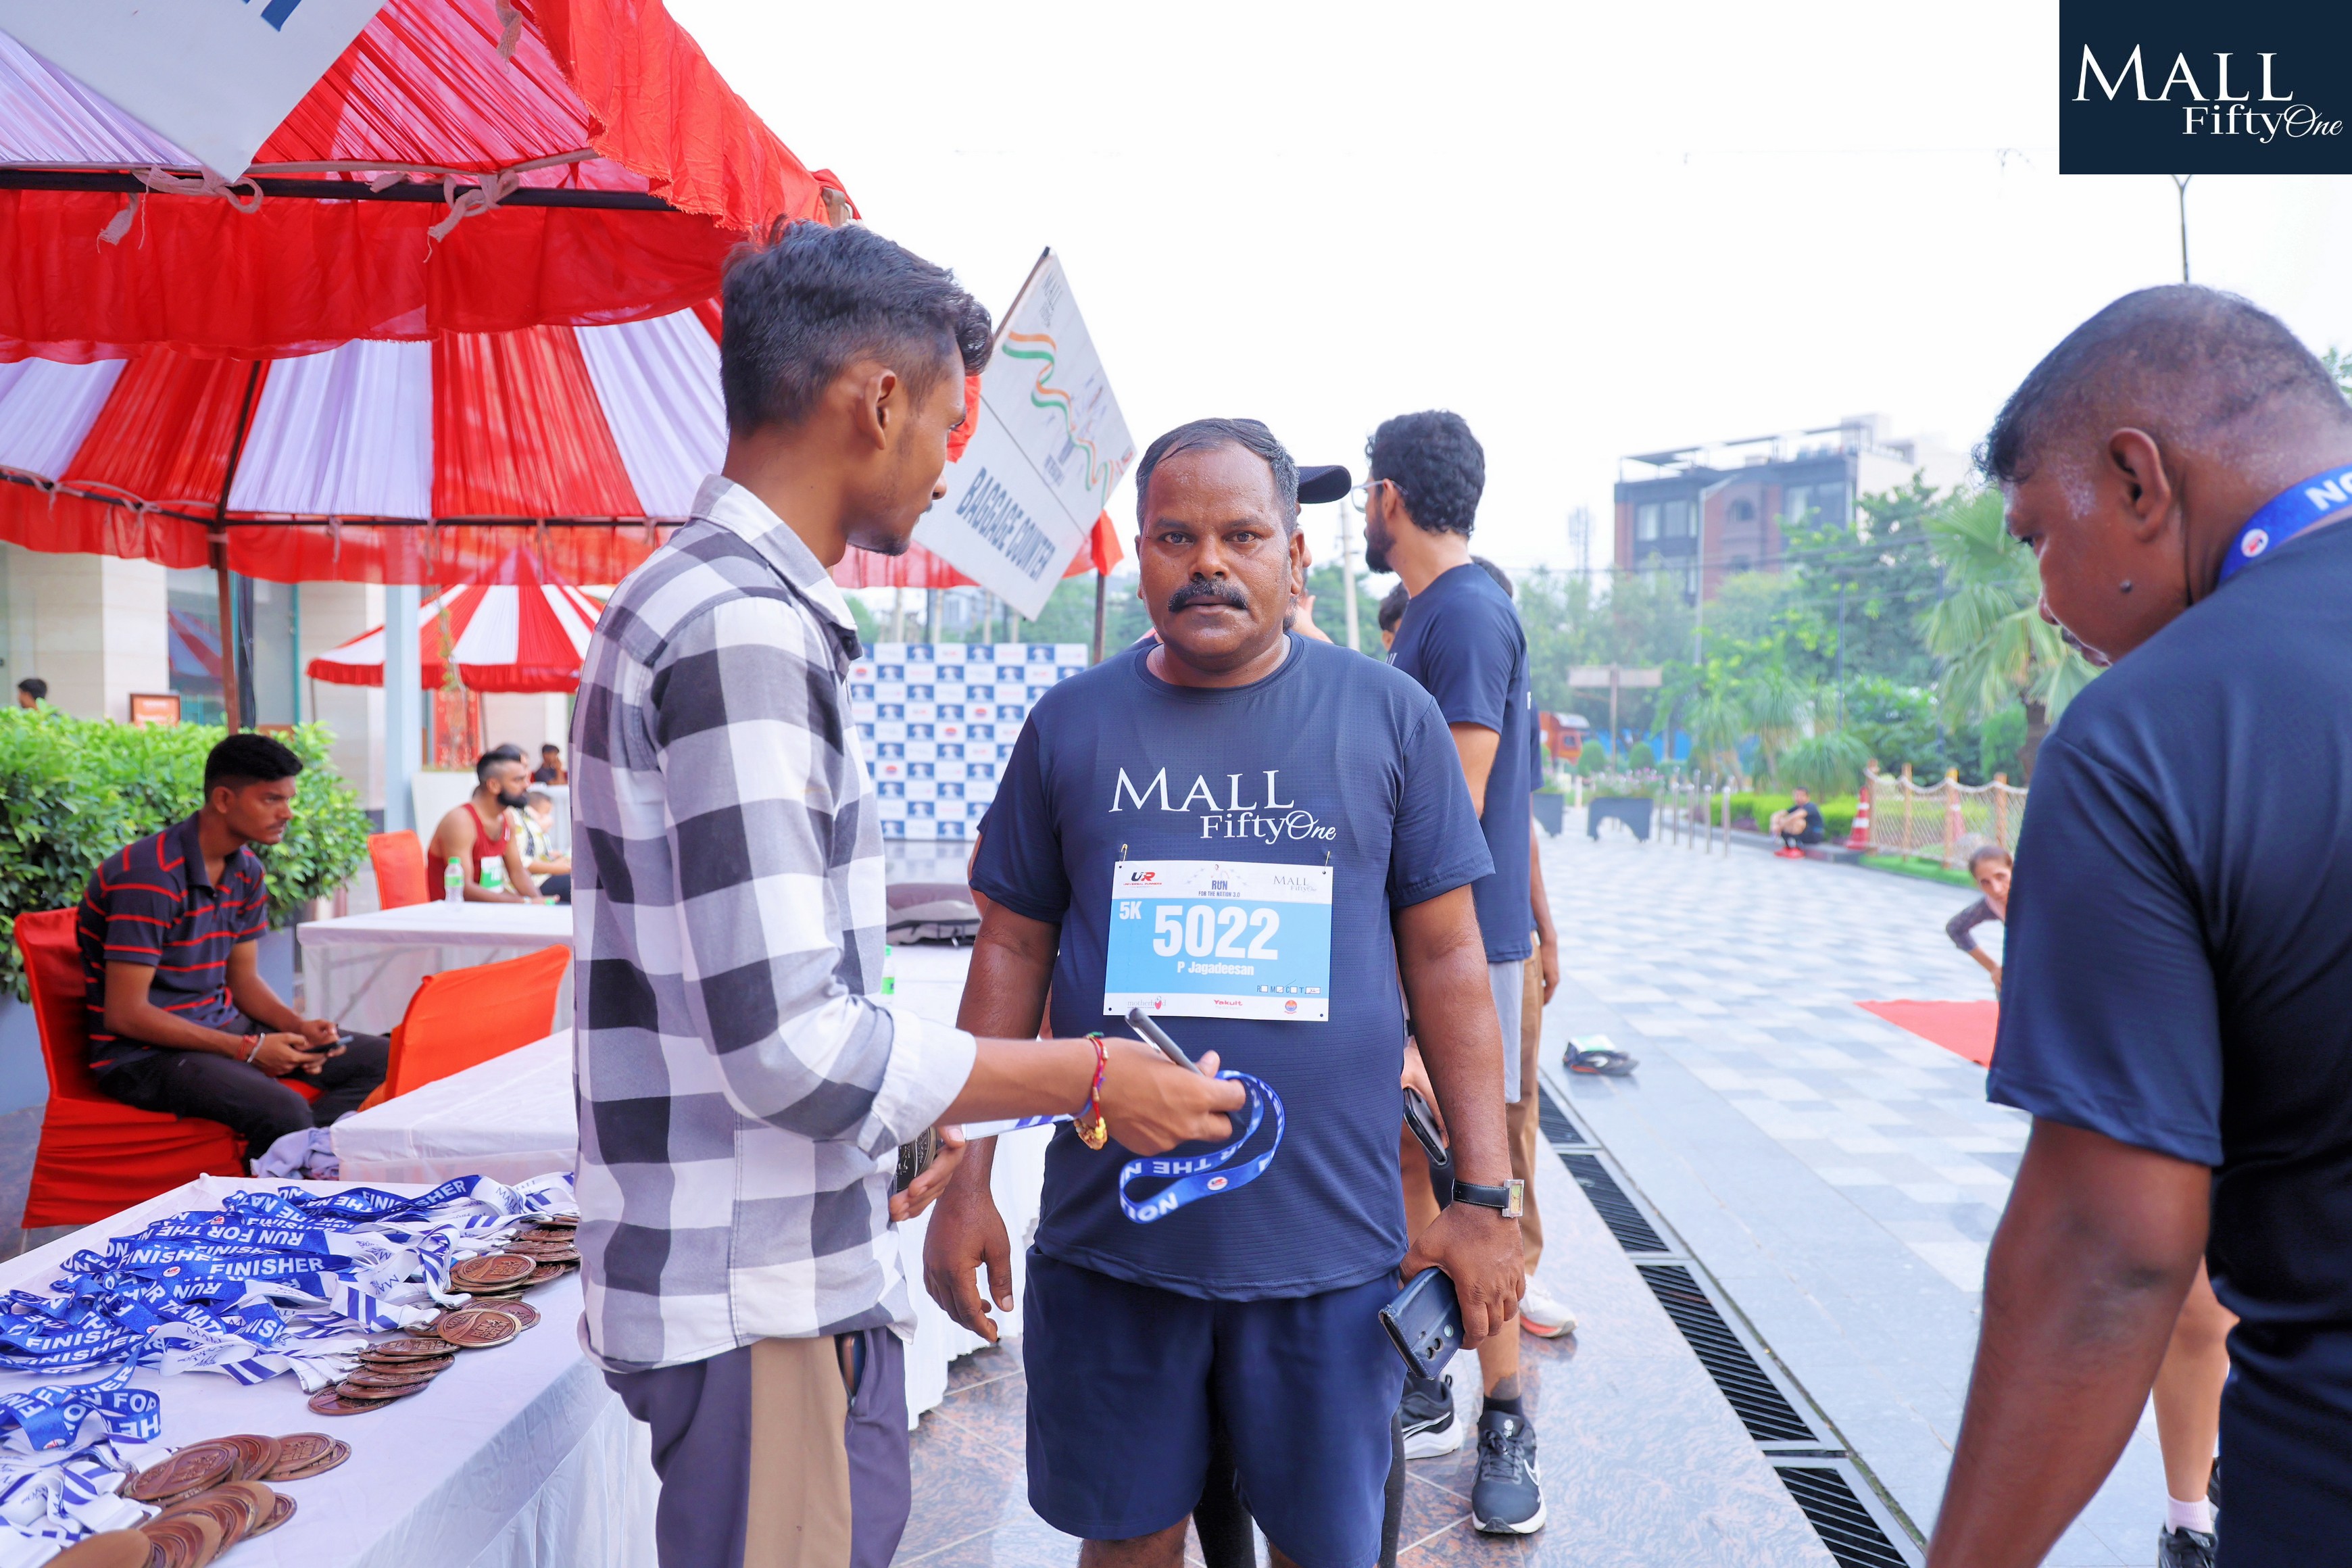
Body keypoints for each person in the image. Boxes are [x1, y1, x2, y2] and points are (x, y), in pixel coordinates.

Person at [569, 221, 1242, 1568]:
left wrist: (914, 1112)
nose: (949, 464)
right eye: (949, 421)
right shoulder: (739, 625)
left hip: (773, 1267)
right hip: (752, 1293)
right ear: (877, 402)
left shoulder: (727, 604)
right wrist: (1093, 1075)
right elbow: (790, 1046)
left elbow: (766, 1004)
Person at [924, 415, 1524, 1568]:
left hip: (1329, 1264)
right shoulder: (1069, 727)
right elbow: (1010, 950)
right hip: (1115, 1254)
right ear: (1142, 554)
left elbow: (1451, 958)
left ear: (1293, 556)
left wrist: (1483, 1201)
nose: (1208, 562)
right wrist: (967, 1179)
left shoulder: (1388, 716)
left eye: (1242, 535)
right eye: (1175, 536)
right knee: (1128, 1545)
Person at [1924, 284, 2352, 1568]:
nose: (2048, 600)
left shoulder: (2151, 739)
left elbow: (2106, 1256)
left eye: (2040, 537)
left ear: (2137, 480)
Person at [1361, 410, 1547, 1534]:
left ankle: (1508, 1416)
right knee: (1412, 1162)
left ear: (1390, 496)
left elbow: (1457, 807)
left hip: (1462, 956)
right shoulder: (1435, 612)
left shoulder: (1468, 613)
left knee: (1480, 1179)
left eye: (1367, 492)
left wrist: (1427, 1008)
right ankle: (1432, 1375)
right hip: (1428, 952)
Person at [79, 733, 389, 1164]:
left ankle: (300, 1156)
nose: (287, 813)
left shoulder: (246, 871)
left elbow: (243, 981)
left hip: (223, 1030)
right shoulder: (150, 876)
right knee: (283, 1111)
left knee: (386, 1059)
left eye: (289, 799)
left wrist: (299, 1027)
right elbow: (126, 1013)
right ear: (224, 799)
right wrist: (249, 1050)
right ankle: (283, 1171)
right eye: (271, 799)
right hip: (142, 1057)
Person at [426, 748, 547, 903]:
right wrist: (525, 903)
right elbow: (464, 888)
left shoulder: (507, 817)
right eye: (518, 780)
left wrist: (541, 903)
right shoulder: (460, 821)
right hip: (455, 913)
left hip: (491, 910)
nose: (527, 785)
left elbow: (517, 872)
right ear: (494, 785)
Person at [1946, 846, 2011, 989]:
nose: (1996, 889)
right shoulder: (1991, 904)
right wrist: (1993, 968)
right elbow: (1955, 928)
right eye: (1985, 883)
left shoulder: (2035, 898)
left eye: (2001, 877)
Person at [516, 791, 571, 904]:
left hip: (543, 877)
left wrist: (554, 860)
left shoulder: (528, 823)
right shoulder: (518, 820)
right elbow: (521, 861)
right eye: (543, 816)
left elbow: (534, 854)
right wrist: (555, 867)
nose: (550, 820)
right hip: (535, 882)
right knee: (581, 884)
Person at [1768, 787, 1826, 855]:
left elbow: (1796, 816)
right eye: (1796, 795)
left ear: (1808, 797)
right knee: (1782, 820)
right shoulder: (1796, 807)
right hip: (1803, 834)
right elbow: (1777, 815)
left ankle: (1796, 848)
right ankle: (1787, 846)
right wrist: (1774, 825)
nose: (1798, 798)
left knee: (1798, 822)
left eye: (1801, 795)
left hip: (1814, 835)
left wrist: (1780, 827)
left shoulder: (1811, 806)